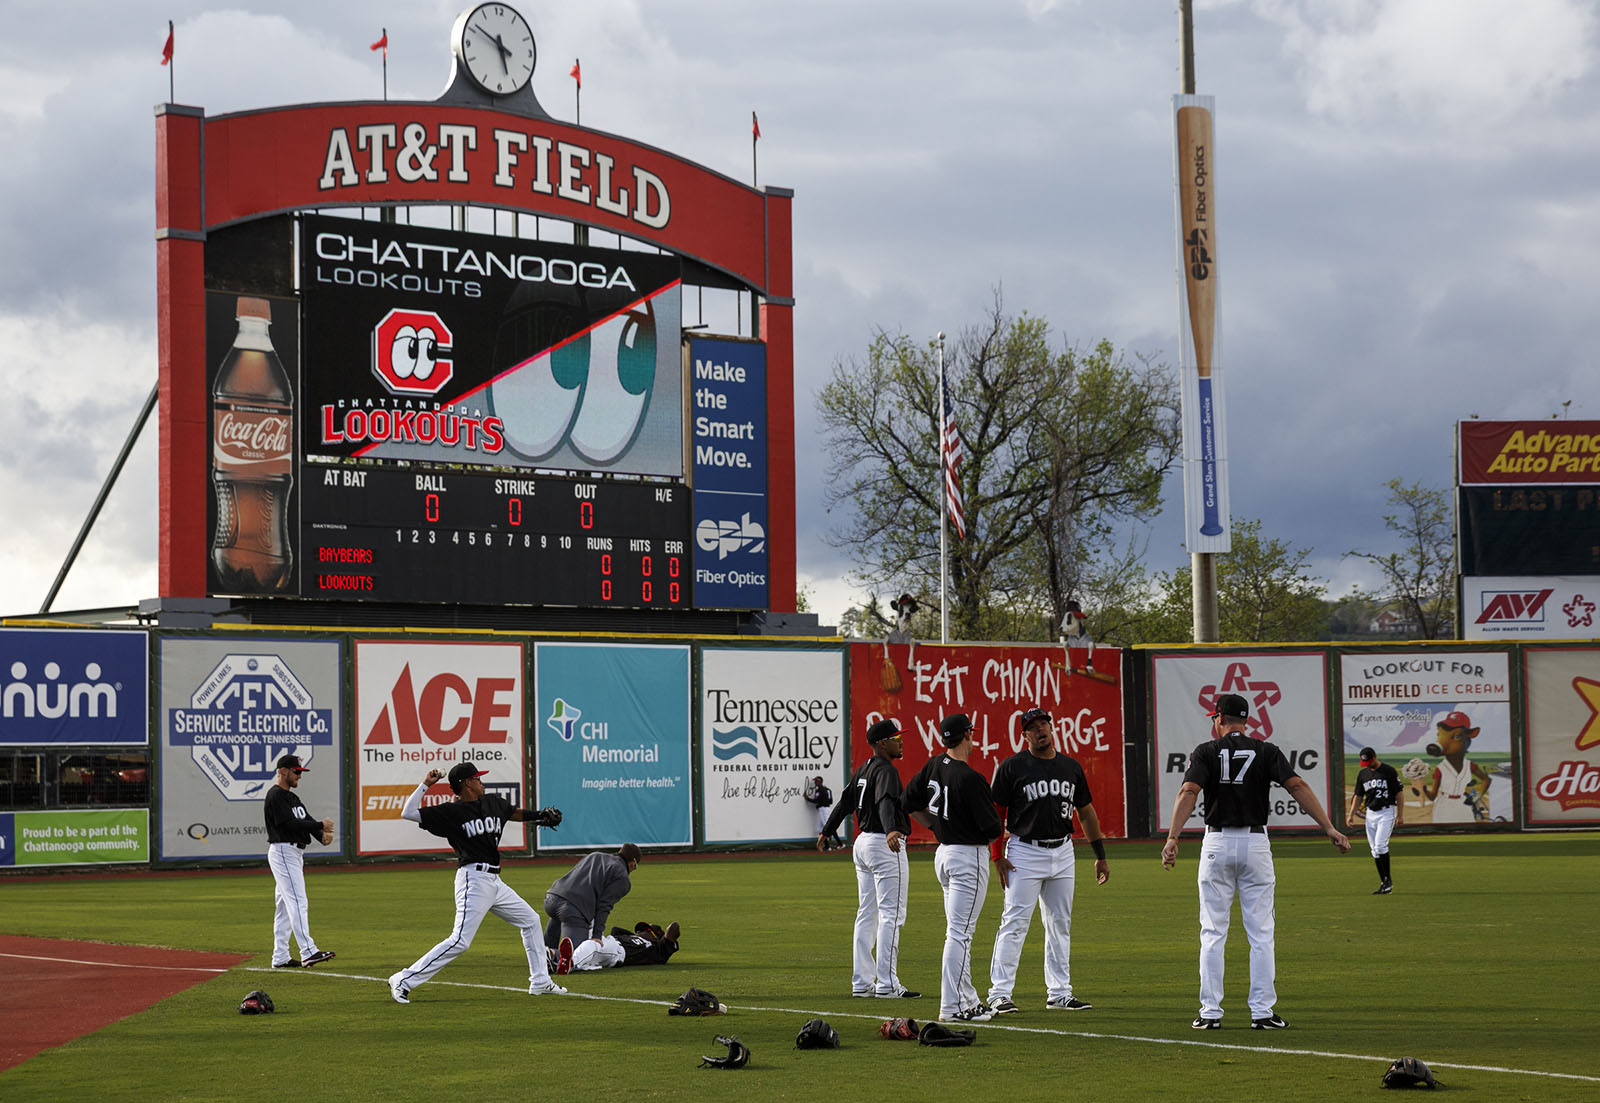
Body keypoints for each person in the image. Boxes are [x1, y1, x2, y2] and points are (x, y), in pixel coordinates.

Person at [1161, 693, 1350, 1030]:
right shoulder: (1266, 750)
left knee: (1212, 933)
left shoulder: (1207, 750)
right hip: (1255, 843)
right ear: (1245, 721)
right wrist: (1330, 828)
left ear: (1218, 719)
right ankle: (1262, 1012)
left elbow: (1188, 792)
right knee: (1261, 934)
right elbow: (1297, 785)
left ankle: (1210, 1013)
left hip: (1217, 842)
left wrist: (1173, 837)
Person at [387, 762, 566, 1004]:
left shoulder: (492, 803)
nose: (481, 781)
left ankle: (540, 981)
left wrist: (540, 815)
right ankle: (403, 979)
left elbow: (513, 813)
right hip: (473, 879)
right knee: (460, 940)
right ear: (467, 783)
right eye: (477, 778)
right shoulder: (451, 812)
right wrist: (426, 785)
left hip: (494, 881)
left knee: (531, 921)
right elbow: (407, 812)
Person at [986, 707, 1109, 1014]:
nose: (1040, 729)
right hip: (1024, 851)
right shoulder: (1012, 767)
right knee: (1014, 922)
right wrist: (997, 856)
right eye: (1033, 726)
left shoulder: (1070, 767)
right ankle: (999, 993)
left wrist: (1100, 856)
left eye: (1044, 724)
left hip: (1063, 851)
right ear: (1024, 734)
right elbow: (995, 814)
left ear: (1052, 728)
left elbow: (1086, 812)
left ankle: (1059, 992)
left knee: (1059, 923)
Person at [905, 713, 1004, 1023]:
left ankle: (968, 999)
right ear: (967, 735)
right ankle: (952, 1007)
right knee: (959, 935)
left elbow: (908, 802)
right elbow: (992, 830)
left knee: (959, 933)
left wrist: (936, 825)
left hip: (945, 855)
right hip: (968, 857)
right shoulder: (971, 778)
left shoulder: (934, 764)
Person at [817, 718, 919, 999]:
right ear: (882, 743)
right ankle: (887, 985)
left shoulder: (864, 769)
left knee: (867, 914)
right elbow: (886, 801)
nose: (900, 741)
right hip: (883, 843)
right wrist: (891, 830)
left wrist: (827, 831)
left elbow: (844, 803)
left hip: (862, 844)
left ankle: (862, 983)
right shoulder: (886, 770)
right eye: (895, 738)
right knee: (891, 916)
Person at [263, 753, 336, 969]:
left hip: (293, 853)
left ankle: (281, 956)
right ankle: (308, 951)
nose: (299, 776)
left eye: (300, 772)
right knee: (297, 901)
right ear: (283, 771)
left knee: (285, 907)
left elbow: (305, 819)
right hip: (284, 851)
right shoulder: (275, 795)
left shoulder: (292, 798)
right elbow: (288, 825)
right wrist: (320, 826)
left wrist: (320, 836)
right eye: (296, 772)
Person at [544, 844, 642, 975]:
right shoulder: (622, 877)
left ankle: (542, 954)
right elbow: (604, 906)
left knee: (551, 944)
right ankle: (551, 954)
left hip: (552, 898)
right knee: (575, 955)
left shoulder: (595, 855)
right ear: (634, 863)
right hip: (572, 909)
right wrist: (597, 935)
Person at [1349, 747, 1403, 894]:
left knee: (1380, 846)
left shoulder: (1389, 771)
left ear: (1375, 757)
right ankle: (1384, 883)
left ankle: (1388, 881)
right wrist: (1351, 814)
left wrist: (1400, 815)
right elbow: (1358, 796)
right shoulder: (1363, 774)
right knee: (1374, 850)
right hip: (1370, 814)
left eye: (1369, 760)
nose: (1367, 764)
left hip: (1386, 811)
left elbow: (1399, 793)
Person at [569, 920, 682, 970]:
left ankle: (570, 963)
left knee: (593, 945)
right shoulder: (632, 937)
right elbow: (615, 930)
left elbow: (674, 927)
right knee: (585, 920)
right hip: (608, 941)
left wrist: (661, 939)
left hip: (617, 952)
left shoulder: (656, 951)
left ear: (654, 937)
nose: (639, 932)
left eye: (645, 930)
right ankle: (554, 960)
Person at [805, 775, 842, 849]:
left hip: (823, 809)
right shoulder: (827, 790)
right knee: (820, 828)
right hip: (825, 809)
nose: (815, 783)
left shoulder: (820, 790)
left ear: (820, 782)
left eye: (816, 781)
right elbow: (831, 801)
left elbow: (816, 801)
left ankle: (840, 844)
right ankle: (827, 846)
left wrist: (807, 798)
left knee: (828, 827)